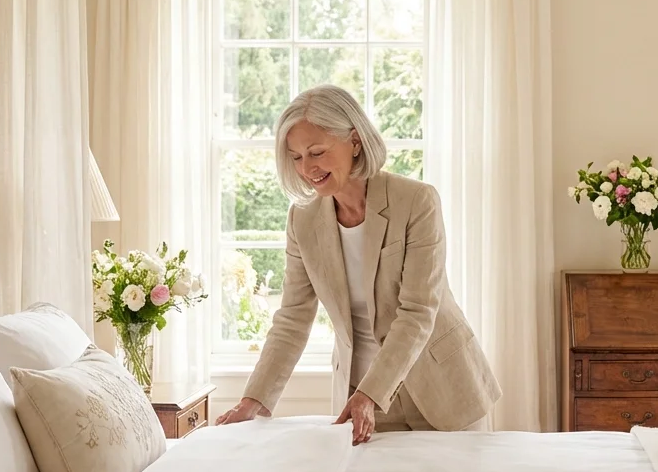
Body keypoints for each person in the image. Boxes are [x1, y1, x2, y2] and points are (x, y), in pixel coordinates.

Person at [214, 85, 500, 444]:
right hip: (363, 398)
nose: (308, 167)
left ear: (354, 141)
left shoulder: (416, 201)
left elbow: (417, 311)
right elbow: (292, 319)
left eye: (316, 151)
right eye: (296, 157)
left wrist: (371, 393)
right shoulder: (302, 221)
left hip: (443, 390)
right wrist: (253, 400)